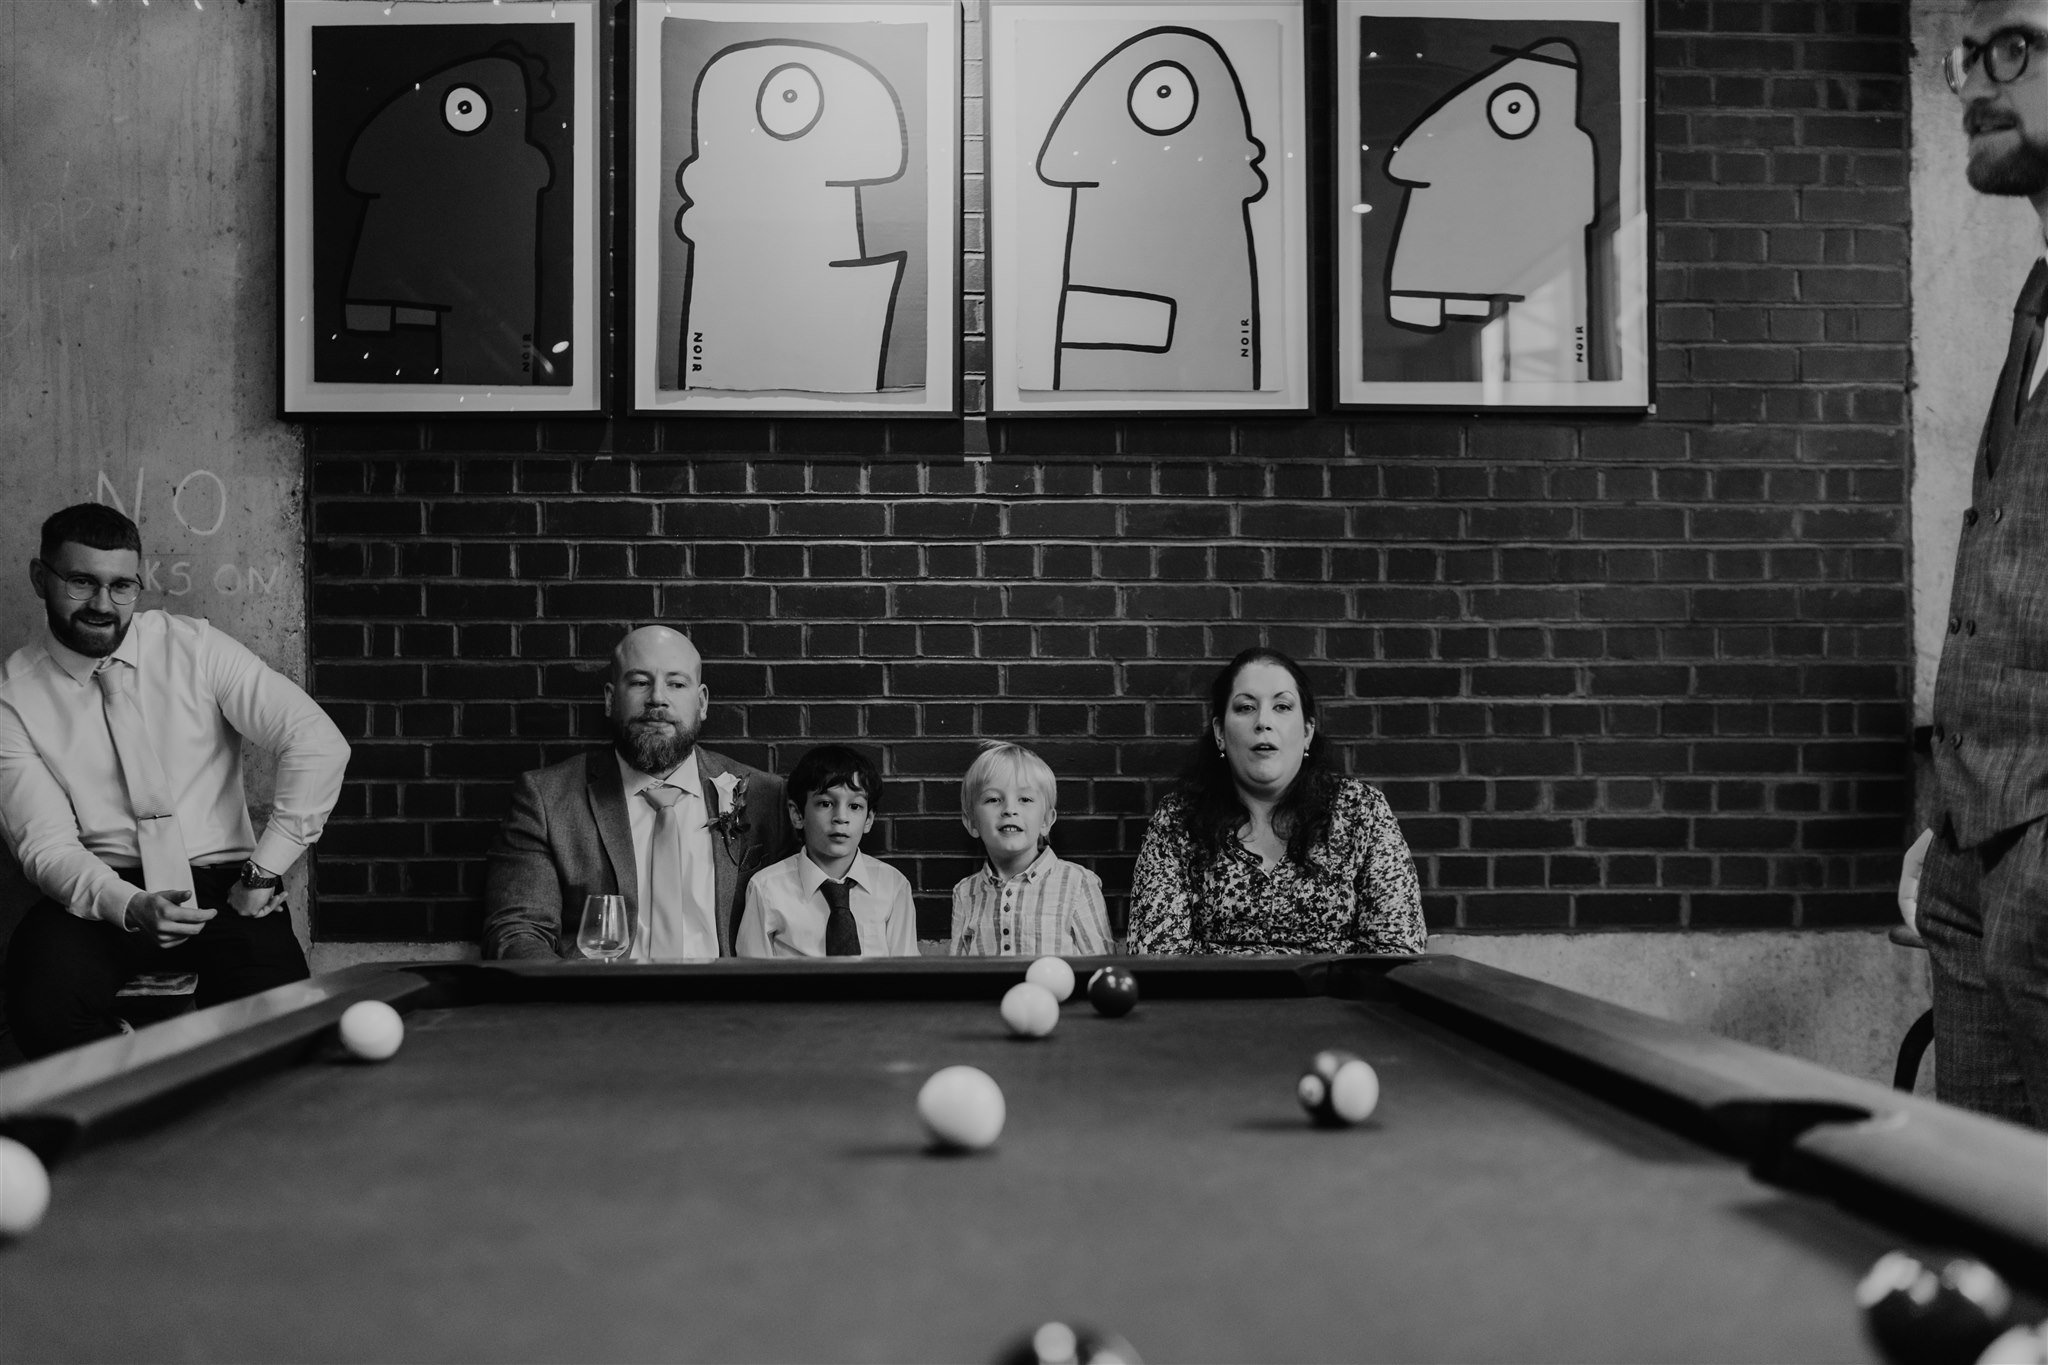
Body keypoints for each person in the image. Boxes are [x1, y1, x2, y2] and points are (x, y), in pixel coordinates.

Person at [0, 502, 351, 1058]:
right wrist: (128, 904)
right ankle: (137, 1070)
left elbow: (316, 740)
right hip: (106, 886)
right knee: (37, 1004)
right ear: (39, 578)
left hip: (227, 887)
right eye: (81, 582)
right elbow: (45, 845)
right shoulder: (12, 697)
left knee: (287, 1036)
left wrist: (264, 872)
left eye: (122, 586)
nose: (102, 604)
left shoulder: (195, 647)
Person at [1899, 5, 2048, 1128]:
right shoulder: (2033, 309)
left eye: (2017, 48)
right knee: (1993, 1222)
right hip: (1970, 855)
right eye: (1969, 56)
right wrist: (1958, 814)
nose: (1974, 85)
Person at [483, 625, 789, 960]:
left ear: (701, 702)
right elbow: (518, 932)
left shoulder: (765, 797)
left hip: (730, 1006)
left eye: (676, 683)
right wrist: (574, 1005)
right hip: (604, 1006)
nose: (658, 698)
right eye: (640, 682)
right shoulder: (545, 799)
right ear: (611, 699)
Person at [1127, 647, 1425, 956]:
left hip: (1334, 1002)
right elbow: (1156, 956)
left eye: (1282, 706)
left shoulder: (1362, 812)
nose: (1263, 721)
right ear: (1219, 733)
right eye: (1245, 707)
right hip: (1212, 1003)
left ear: (1307, 732)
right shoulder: (1178, 820)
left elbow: (1396, 948)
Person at [736, 744, 917, 958]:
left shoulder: (893, 886)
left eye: (855, 806)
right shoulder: (767, 888)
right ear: (797, 815)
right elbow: (751, 977)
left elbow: (906, 974)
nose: (841, 817)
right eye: (825, 803)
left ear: (869, 819)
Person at [949, 741, 1113, 957]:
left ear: (1046, 820)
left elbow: (1102, 967)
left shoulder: (1077, 882)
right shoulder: (965, 893)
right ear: (971, 823)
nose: (1009, 809)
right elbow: (956, 974)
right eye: (993, 799)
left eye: (1025, 799)